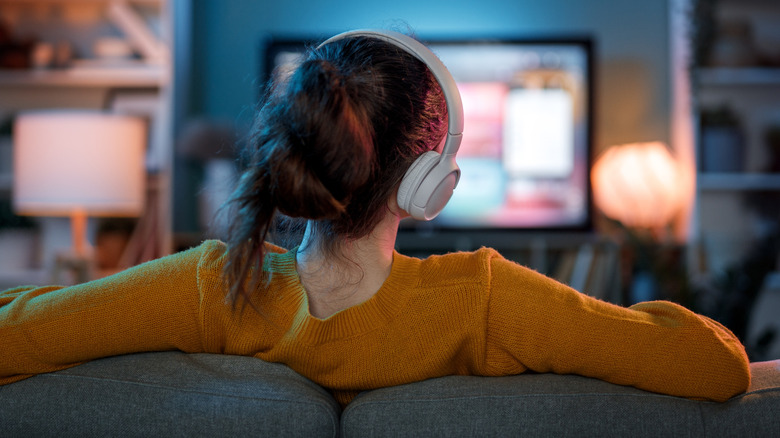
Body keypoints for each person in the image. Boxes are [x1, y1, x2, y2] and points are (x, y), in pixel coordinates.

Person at [0, 30, 750, 408]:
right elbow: (713, 367)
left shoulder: (210, 288)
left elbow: (18, 333)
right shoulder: (487, 303)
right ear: (431, 185)